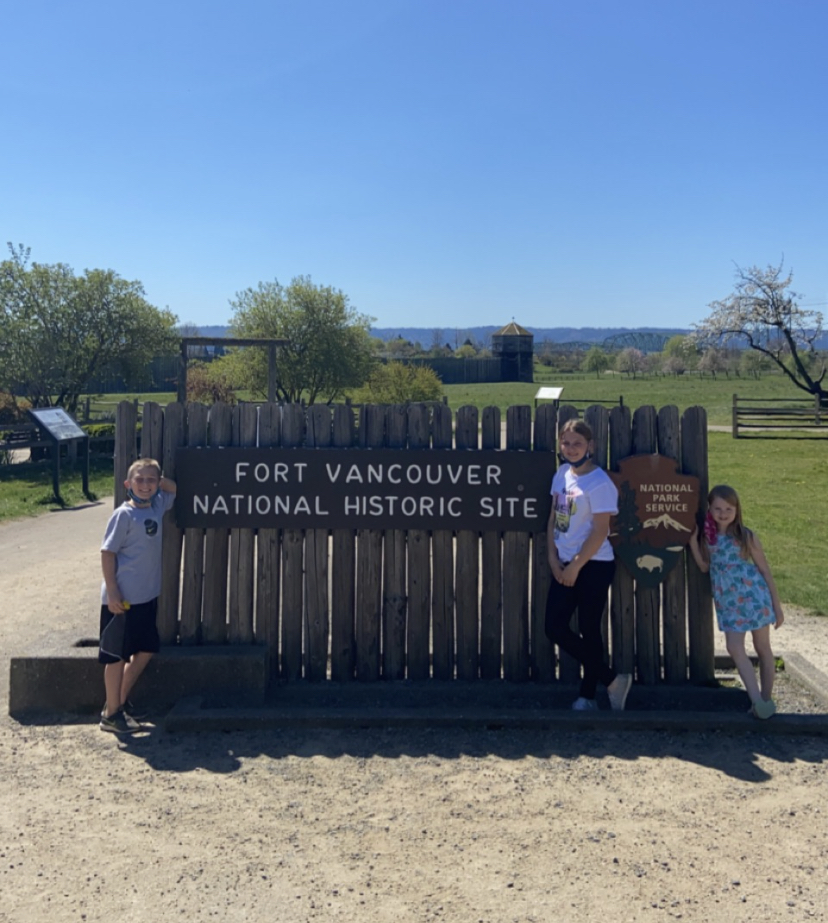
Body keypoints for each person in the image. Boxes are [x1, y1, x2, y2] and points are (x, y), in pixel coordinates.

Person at [544, 419, 632, 711]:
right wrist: (553, 559)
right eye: (566, 443)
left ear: (590, 446)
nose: (571, 449)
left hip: (593, 564)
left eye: (577, 443)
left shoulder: (599, 482)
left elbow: (600, 531)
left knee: (589, 628)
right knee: (554, 627)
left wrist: (576, 566)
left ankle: (587, 696)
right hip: (563, 561)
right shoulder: (561, 474)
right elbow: (553, 518)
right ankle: (612, 680)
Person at [688, 484, 784, 719]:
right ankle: (756, 699)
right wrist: (692, 543)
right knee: (734, 646)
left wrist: (776, 605)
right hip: (728, 600)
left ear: (736, 510)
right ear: (710, 509)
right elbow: (704, 567)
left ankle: (765, 699)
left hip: (754, 596)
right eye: (718, 508)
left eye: (728, 509)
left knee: (763, 647)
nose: (723, 513)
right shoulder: (708, 538)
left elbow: (764, 570)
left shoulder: (745, 536)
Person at [98, 458, 177, 734]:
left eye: (150, 480)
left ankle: (117, 702)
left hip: (146, 597)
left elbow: (174, 488)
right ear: (127, 484)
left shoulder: (156, 506)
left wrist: (156, 477)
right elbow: (107, 553)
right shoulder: (123, 515)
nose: (145, 485)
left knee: (146, 649)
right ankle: (111, 715)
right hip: (122, 600)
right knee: (116, 656)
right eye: (139, 480)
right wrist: (112, 591)